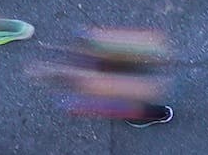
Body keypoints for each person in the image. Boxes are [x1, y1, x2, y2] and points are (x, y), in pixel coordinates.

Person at [31, 26, 173, 126]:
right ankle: (157, 111)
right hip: (106, 62)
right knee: (119, 73)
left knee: (118, 96)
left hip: (97, 78)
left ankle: (156, 112)